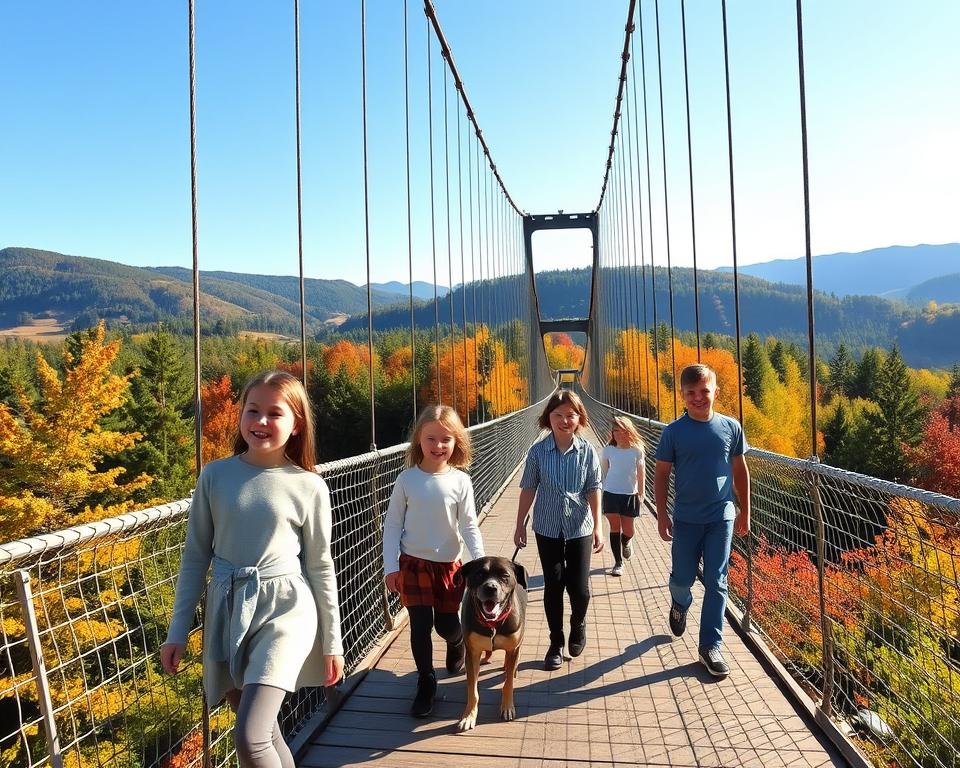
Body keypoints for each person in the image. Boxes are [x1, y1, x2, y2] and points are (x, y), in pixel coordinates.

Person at [160, 370, 343, 768]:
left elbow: (320, 565)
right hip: (228, 610)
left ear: (296, 426)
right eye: (252, 410)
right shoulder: (214, 476)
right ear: (240, 415)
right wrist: (178, 632)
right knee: (266, 733)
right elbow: (195, 557)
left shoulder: (309, 486)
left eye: (275, 414)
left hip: (286, 611)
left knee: (250, 736)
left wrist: (333, 640)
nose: (260, 422)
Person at [382, 405, 484, 718]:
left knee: (447, 625)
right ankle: (426, 681)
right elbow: (392, 525)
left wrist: (479, 563)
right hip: (413, 564)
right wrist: (391, 568)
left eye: (445, 439)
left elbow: (468, 524)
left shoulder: (460, 481)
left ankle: (457, 644)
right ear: (419, 440)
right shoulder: (406, 480)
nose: (438, 446)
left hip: (448, 567)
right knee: (420, 626)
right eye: (431, 439)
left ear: (456, 443)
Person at [654, 364, 751, 678]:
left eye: (704, 391)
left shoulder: (731, 428)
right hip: (685, 518)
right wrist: (661, 515)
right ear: (682, 395)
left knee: (717, 580)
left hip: (720, 516)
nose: (698, 398)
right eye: (691, 393)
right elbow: (661, 474)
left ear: (716, 393)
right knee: (682, 577)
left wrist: (745, 511)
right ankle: (680, 602)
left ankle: (710, 645)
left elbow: (740, 471)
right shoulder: (674, 432)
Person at [513, 390, 603, 671]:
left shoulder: (588, 451)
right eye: (558, 415)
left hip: (580, 526)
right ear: (548, 418)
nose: (564, 420)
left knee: (580, 590)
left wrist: (599, 525)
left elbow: (593, 488)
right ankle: (556, 642)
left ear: (579, 418)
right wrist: (519, 523)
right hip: (547, 526)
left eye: (570, 415)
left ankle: (578, 624)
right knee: (553, 586)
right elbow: (529, 487)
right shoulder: (538, 452)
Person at [601, 415, 646, 577]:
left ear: (630, 432)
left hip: (629, 495)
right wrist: (602, 491)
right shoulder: (608, 450)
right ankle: (618, 563)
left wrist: (642, 493)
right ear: (612, 433)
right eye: (615, 431)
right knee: (615, 527)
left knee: (629, 530)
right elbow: (604, 472)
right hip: (611, 493)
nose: (619, 434)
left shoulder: (637, 450)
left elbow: (641, 473)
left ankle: (626, 541)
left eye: (623, 431)